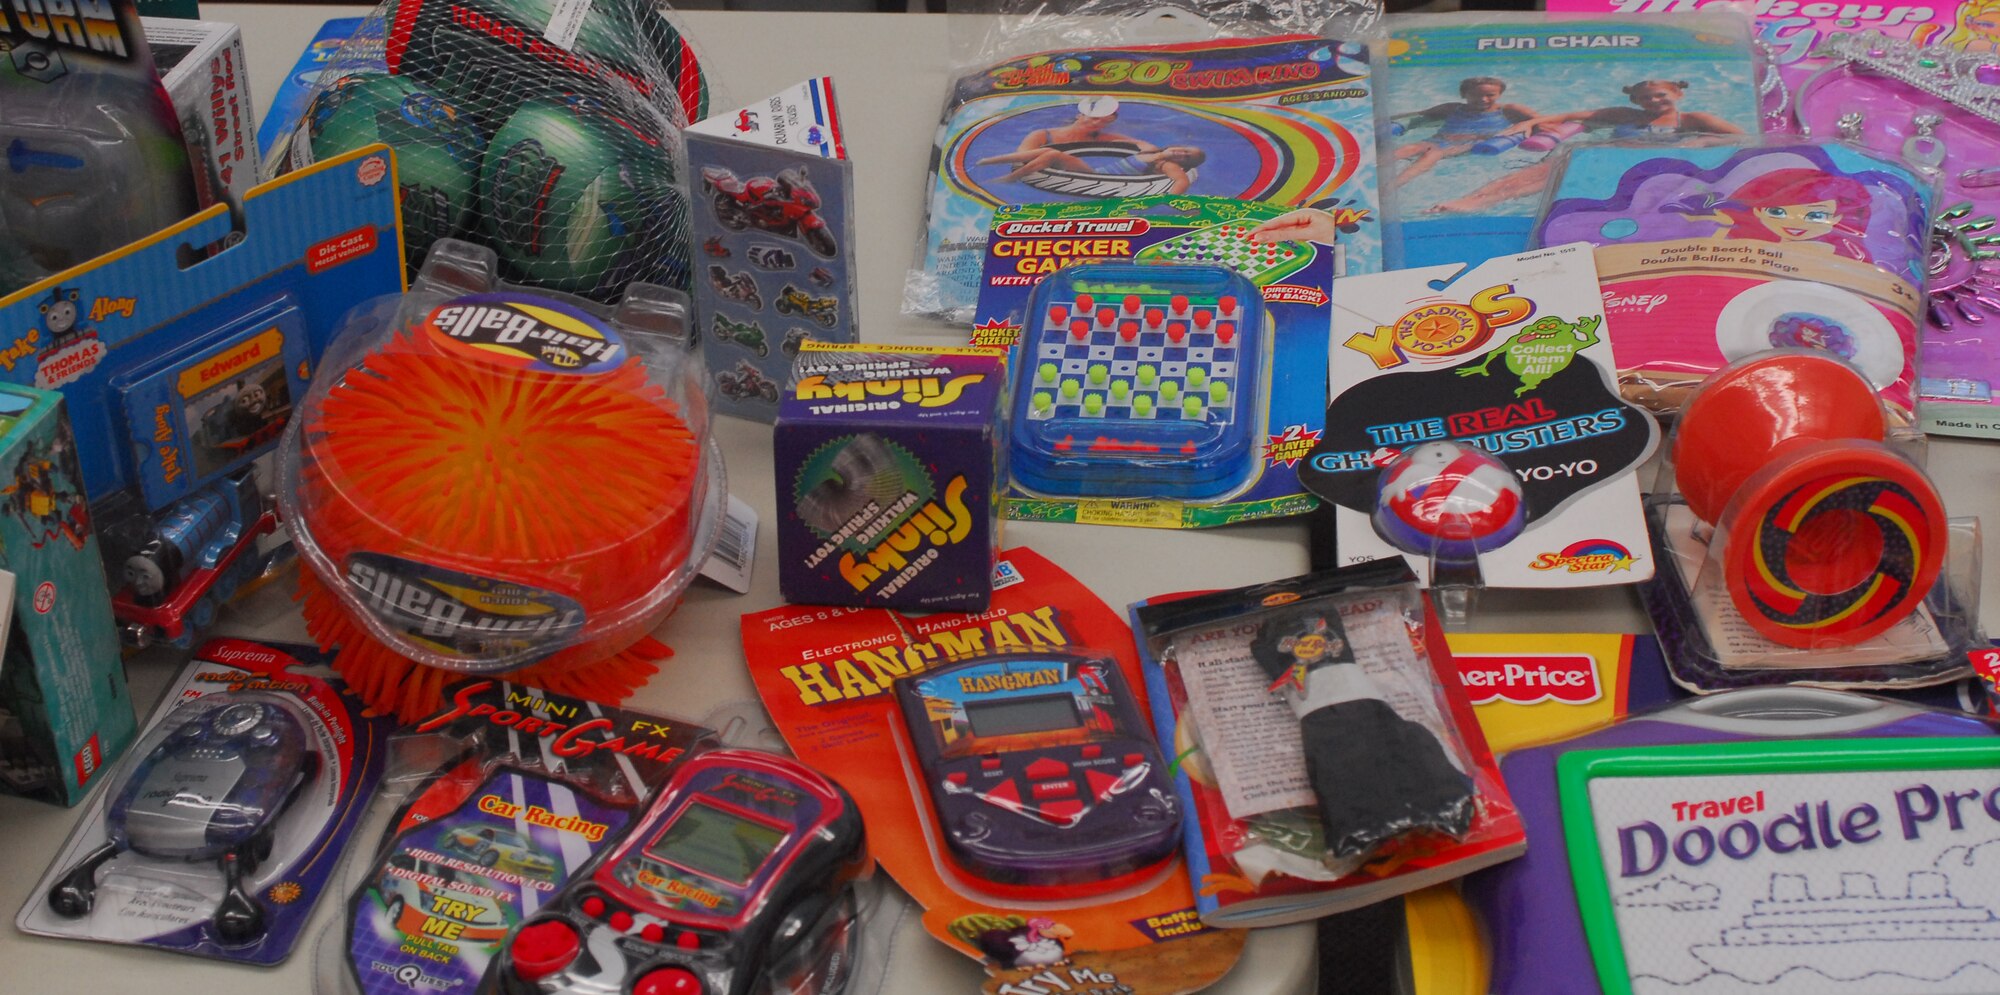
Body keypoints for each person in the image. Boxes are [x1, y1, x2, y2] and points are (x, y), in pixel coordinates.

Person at [1427, 80, 1743, 214]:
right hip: (1600, 156)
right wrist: (1526, 124)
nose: (1654, 101)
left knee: (1549, 180)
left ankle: (1480, 202)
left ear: (1678, 94)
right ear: (1634, 100)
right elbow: (1566, 115)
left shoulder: (1692, 119)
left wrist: (1700, 140)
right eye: (1646, 97)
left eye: (1661, 95)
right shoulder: (1623, 115)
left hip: (1633, 167)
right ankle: (1471, 198)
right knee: (1545, 169)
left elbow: (1742, 137)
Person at [1671, 167, 1874, 260]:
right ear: (1758, 211)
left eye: (1816, 216)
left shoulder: (1833, 253)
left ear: (1838, 217)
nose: (1797, 223)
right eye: (1777, 212)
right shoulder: (1754, 249)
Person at [1388, 77, 1538, 188]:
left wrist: (1529, 124)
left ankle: (1391, 187)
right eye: (1475, 95)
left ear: (1499, 94)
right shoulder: (1452, 108)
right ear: (1464, 94)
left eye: (1490, 95)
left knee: (1432, 154)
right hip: (1436, 140)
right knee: (1408, 149)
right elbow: (1418, 114)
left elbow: (1544, 121)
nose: (1483, 99)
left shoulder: (1509, 110)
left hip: (1469, 144)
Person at [978, 144, 1207, 193]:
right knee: (1049, 152)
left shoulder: (1166, 163)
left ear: (1186, 163)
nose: (1182, 152)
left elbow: (1181, 181)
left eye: (1187, 156)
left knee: (1053, 155)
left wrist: (1164, 200)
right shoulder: (1155, 152)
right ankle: (993, 158)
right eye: (1185, 148)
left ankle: (1011, 178)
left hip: (1097, 179)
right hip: (1097, 172)